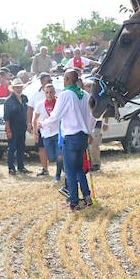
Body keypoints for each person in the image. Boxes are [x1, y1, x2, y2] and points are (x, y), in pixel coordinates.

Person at [46, 69, 94, 211]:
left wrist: (43, 123)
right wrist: (89, 132)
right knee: (79, 168)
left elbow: (55, 116)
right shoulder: (84, 95)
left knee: (70, 171)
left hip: (71, 137)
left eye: (64, 78)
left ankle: (74, 202)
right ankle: (86, 196)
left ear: (67, 79)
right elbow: (92, 117)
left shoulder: (66, 94)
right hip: (83, 136)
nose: (63, 80)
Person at [33, 81, 61, 181]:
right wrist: (36, 132)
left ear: (54, 93)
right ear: (44, 93)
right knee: (51, 157)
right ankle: (49, 168)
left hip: (57, 132)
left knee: (59, 155)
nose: (49, 94)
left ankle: (58, 174)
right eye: (47, 92)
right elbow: (35, 119)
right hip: (46, 133)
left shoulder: (59, 103)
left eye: (51, 92)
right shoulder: (40, 104)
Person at [2, 83, 28, 175]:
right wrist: (8, 130)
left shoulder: (24, 98)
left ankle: (21, 167)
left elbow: (26, 112)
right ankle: (11, 168)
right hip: (13, 127)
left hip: (22, 127)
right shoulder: (8, 101)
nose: (19, 89)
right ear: (13, 88)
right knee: (12, 148)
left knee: (21, 148)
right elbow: (6, 117)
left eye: (20, 87)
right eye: (17, 87)